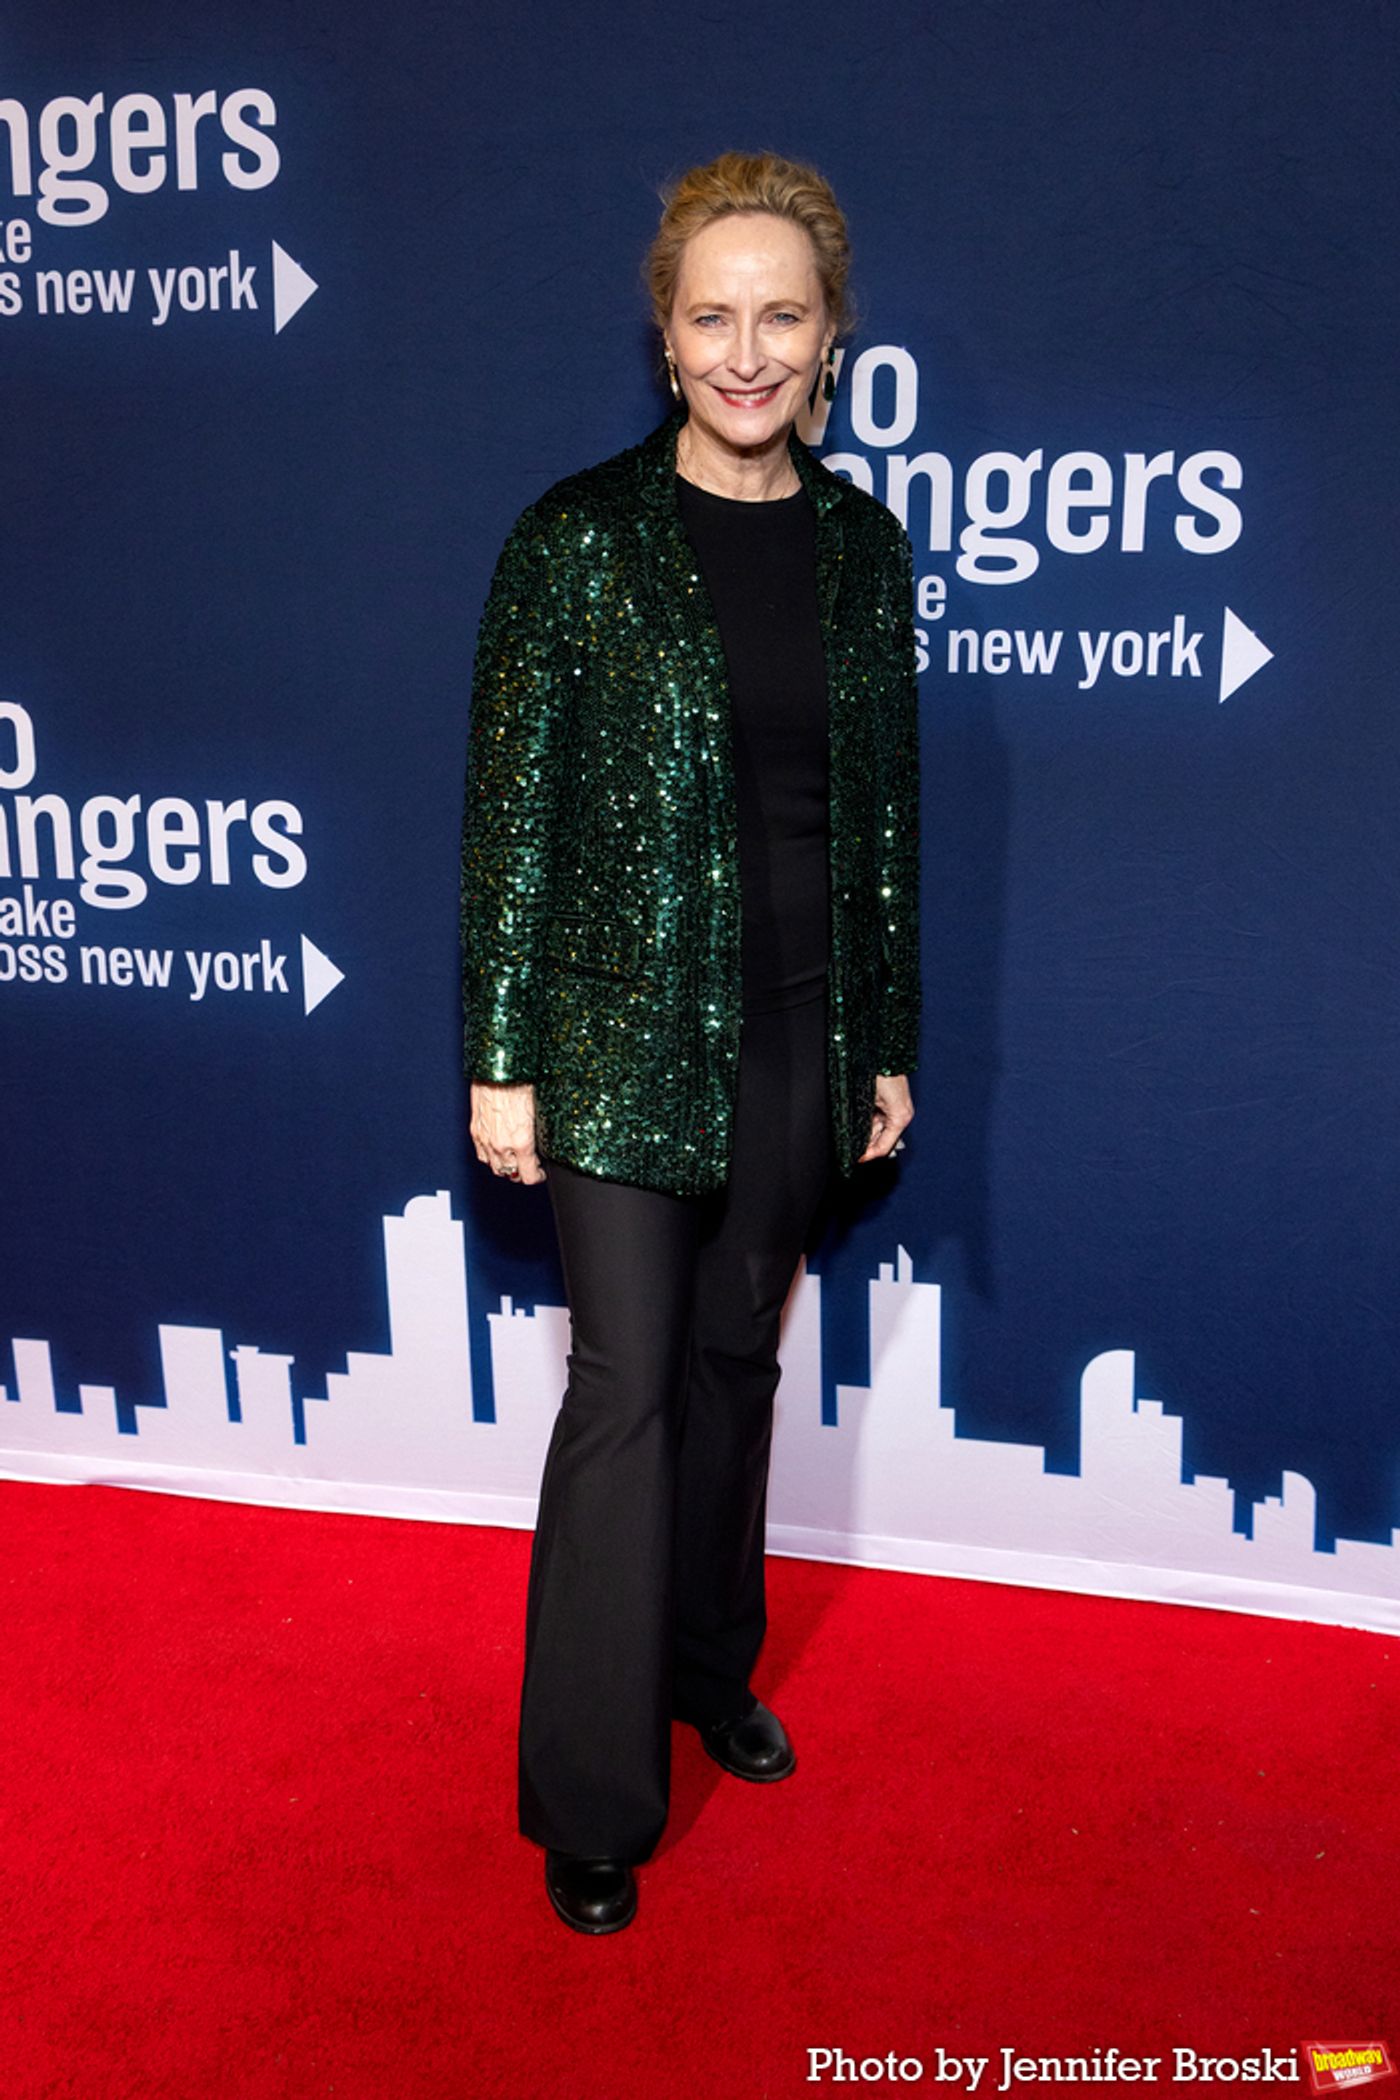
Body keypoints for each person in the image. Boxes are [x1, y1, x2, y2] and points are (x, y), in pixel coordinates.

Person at [460, 149, 921, 1935]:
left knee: (738, 1376)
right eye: (712, 317)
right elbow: (511, 821)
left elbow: (882, 818)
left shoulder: (867, 550)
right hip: (619, 1036)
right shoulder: (573, 542)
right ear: (665, 338)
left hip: (803, 1030)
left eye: (781, 318)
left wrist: (882, 1037)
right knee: (629, 1393)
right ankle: (591, 1792)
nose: (747, 351)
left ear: (830, 342)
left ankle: (706, 1668)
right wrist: (502, 1059)